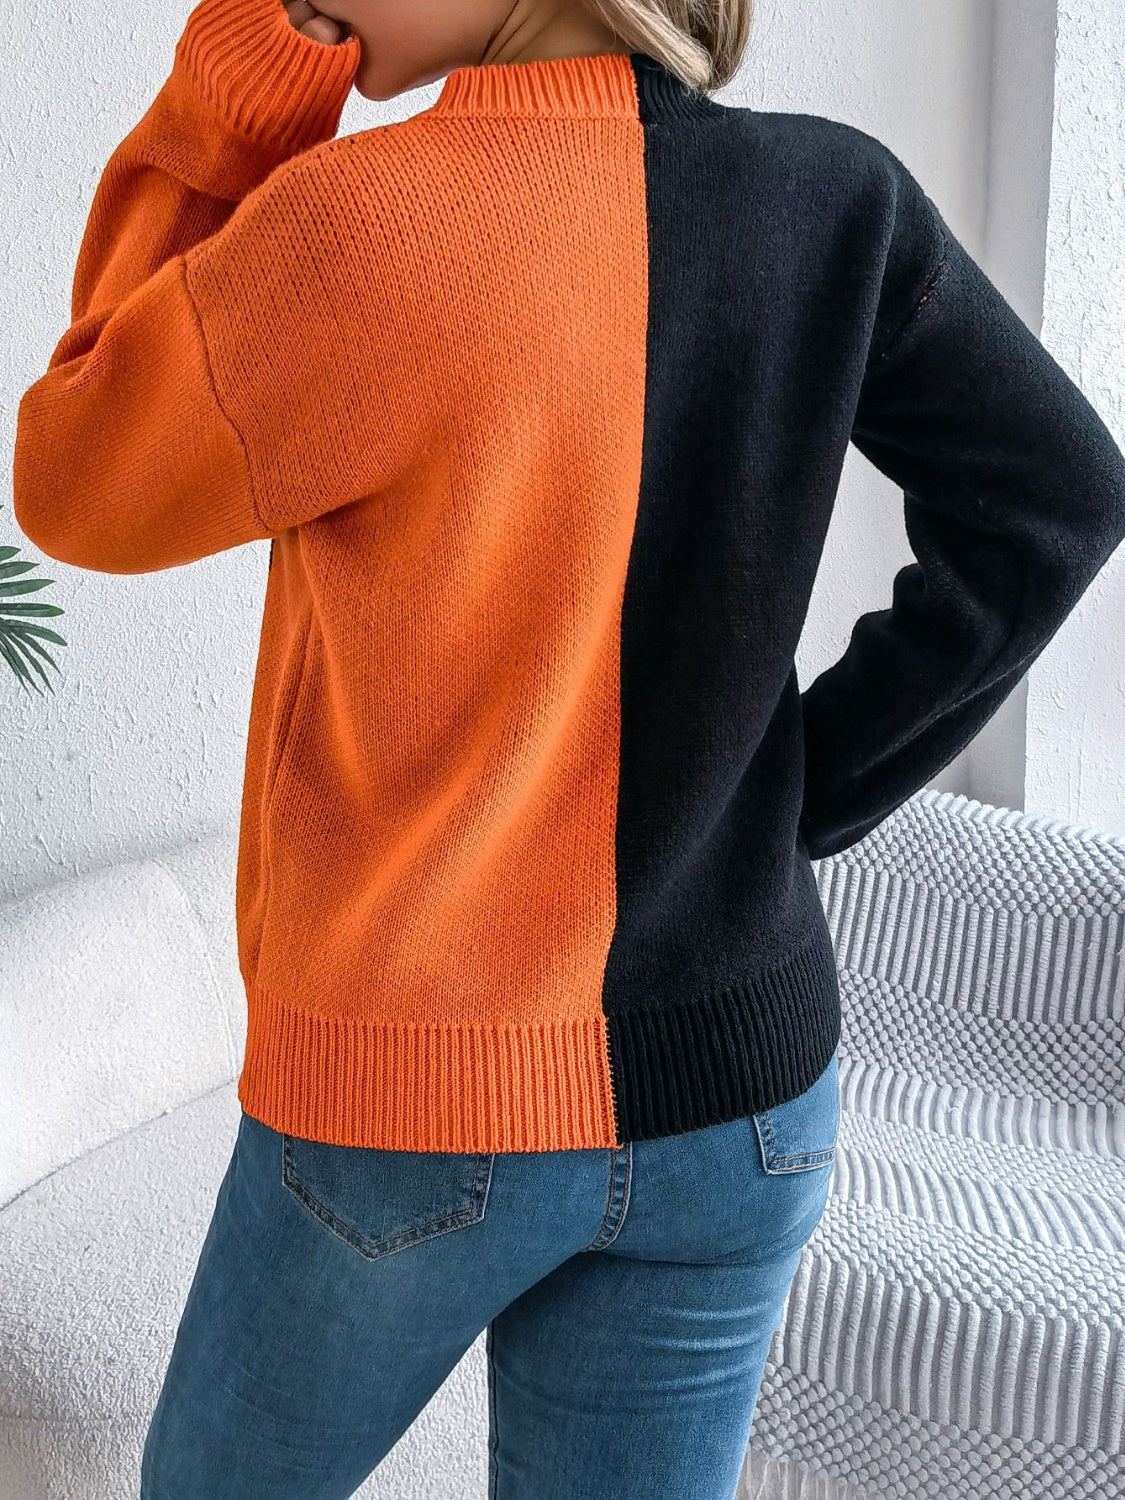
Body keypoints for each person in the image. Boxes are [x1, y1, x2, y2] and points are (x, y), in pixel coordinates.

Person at [12, 0, 1125, 1494]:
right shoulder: (835, 197)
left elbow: (78, 477)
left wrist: (228, 99)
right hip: (744, 1102)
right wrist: (790, 798)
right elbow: (1058, 500)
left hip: (418, 1102)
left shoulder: (354, 227)